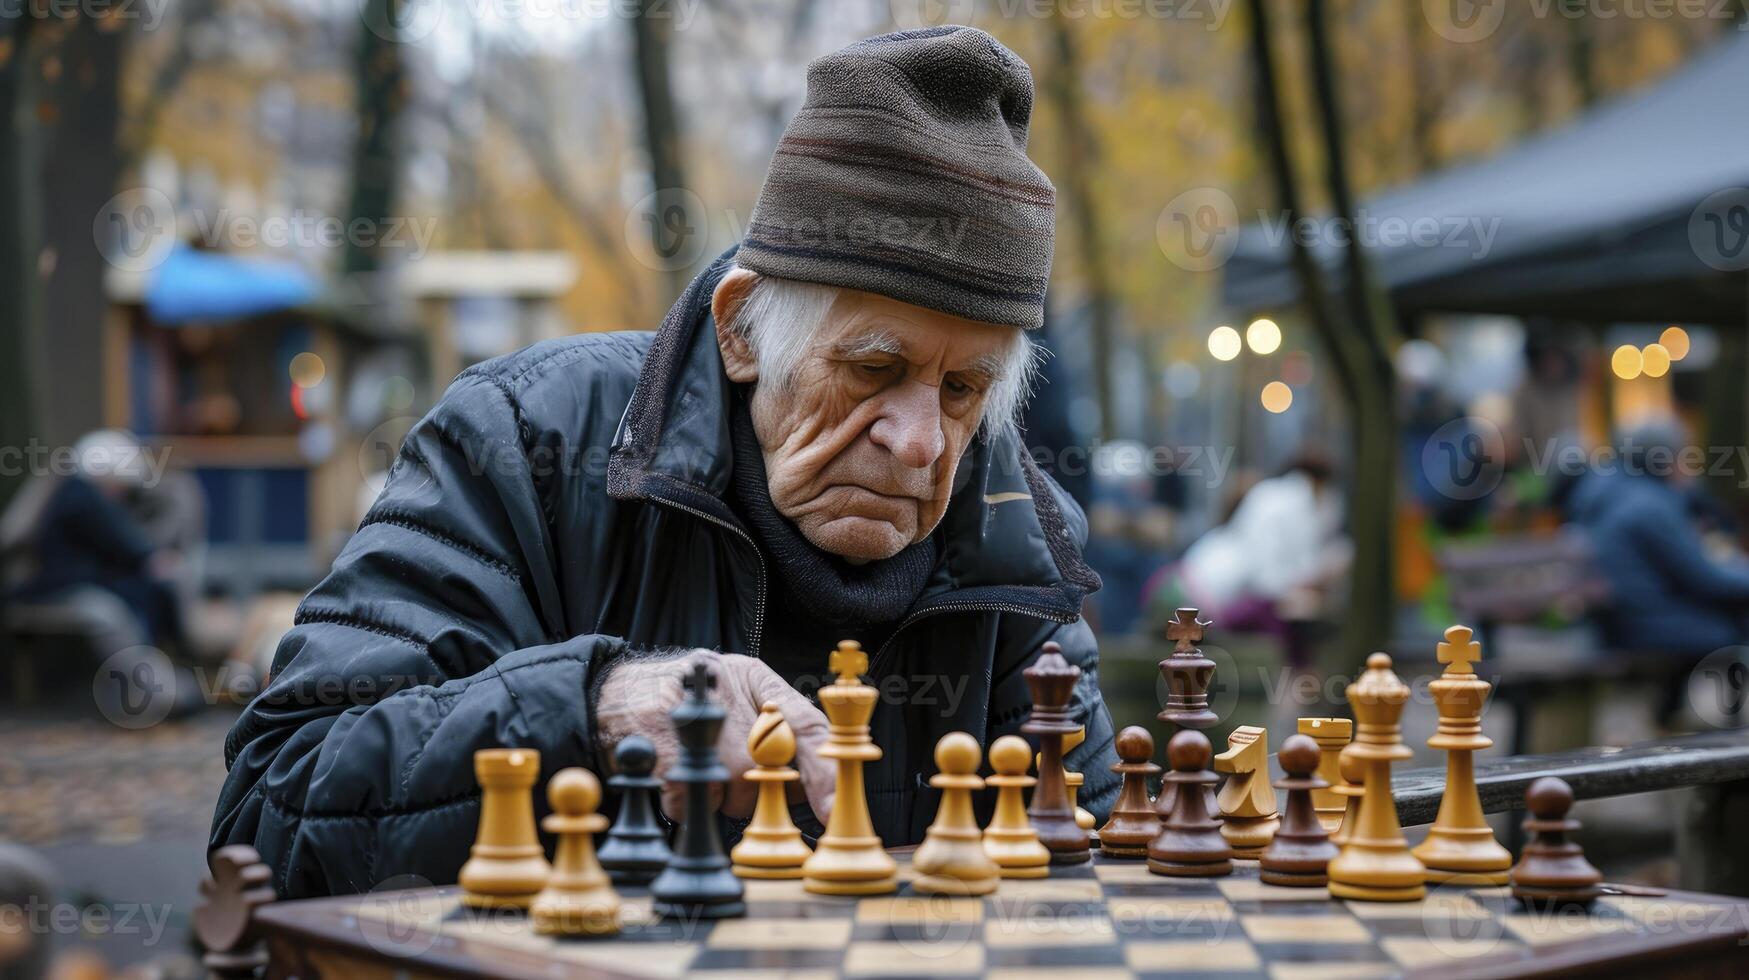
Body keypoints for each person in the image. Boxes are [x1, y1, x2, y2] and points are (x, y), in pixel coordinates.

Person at [211, 27, 1116, 899]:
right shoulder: (523, 444)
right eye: (873, 370)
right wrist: (592, 710)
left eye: (962, 390)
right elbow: (267, 814)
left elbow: (1099, 884)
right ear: (740, 330)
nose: (920, 442)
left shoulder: (1016, 544)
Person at [1145, 453, 1349, 667]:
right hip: (1185, 599)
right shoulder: (1294, 504)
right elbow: (1268, 582)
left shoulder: (1275, 495)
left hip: (1176, 588)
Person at [1565, 422, 1749, 656]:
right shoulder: (1649, 506)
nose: (1690, 466)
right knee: (1736, 625)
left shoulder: (1614, 492)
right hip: (1647, 625)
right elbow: (1704, 577)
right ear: (1663, 461)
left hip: (1622, 622)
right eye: (1684, 455)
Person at [9, 430, 189, 655]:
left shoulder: (69, 491)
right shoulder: (82, 494)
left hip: (68, 584)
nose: (119, 497)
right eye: (118, 487)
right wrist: (151, 558)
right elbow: (125, 542)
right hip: (64, 588)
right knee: (118, 613)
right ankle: (154, 681)